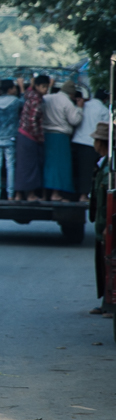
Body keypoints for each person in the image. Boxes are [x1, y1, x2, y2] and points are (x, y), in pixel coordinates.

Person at [43, 80, 83, 202]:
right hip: (60, 137)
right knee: (60, 166)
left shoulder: (47, 98)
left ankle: (44, 195)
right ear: (71, 94)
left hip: (45, 136)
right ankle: (55, 194)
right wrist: (80, 109)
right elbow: (75, 120)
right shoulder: (67, 102)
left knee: (47, 165)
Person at [88, 121, 113, 318]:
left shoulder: (109, 169)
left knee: (108, 263)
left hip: (106, 223)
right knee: (102, 263)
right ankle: (105, 302)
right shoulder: (103, 164)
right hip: (100, 222)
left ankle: (110, 304)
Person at [16, 75, 49, 202]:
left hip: (22, 135)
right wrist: (38, 137)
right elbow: (32, 119)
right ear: (37, 87)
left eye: (47, 87)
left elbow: (26, 92)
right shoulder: (37, 99)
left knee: (22, 166)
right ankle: (30, 195)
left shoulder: (30, 95)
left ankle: (18, 195)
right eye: (43, 87)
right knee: (30, 167)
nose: (45, 89)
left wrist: (28, 84)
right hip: (30, 137)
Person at [73, 88, 110, 202]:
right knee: (87, 172)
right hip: (90, 144)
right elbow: (106, 130)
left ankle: (73, 195)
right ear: (105, 99)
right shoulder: (104, 110)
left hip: (76, 142)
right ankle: (83, 196)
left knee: (76, 171)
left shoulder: (84, 105)